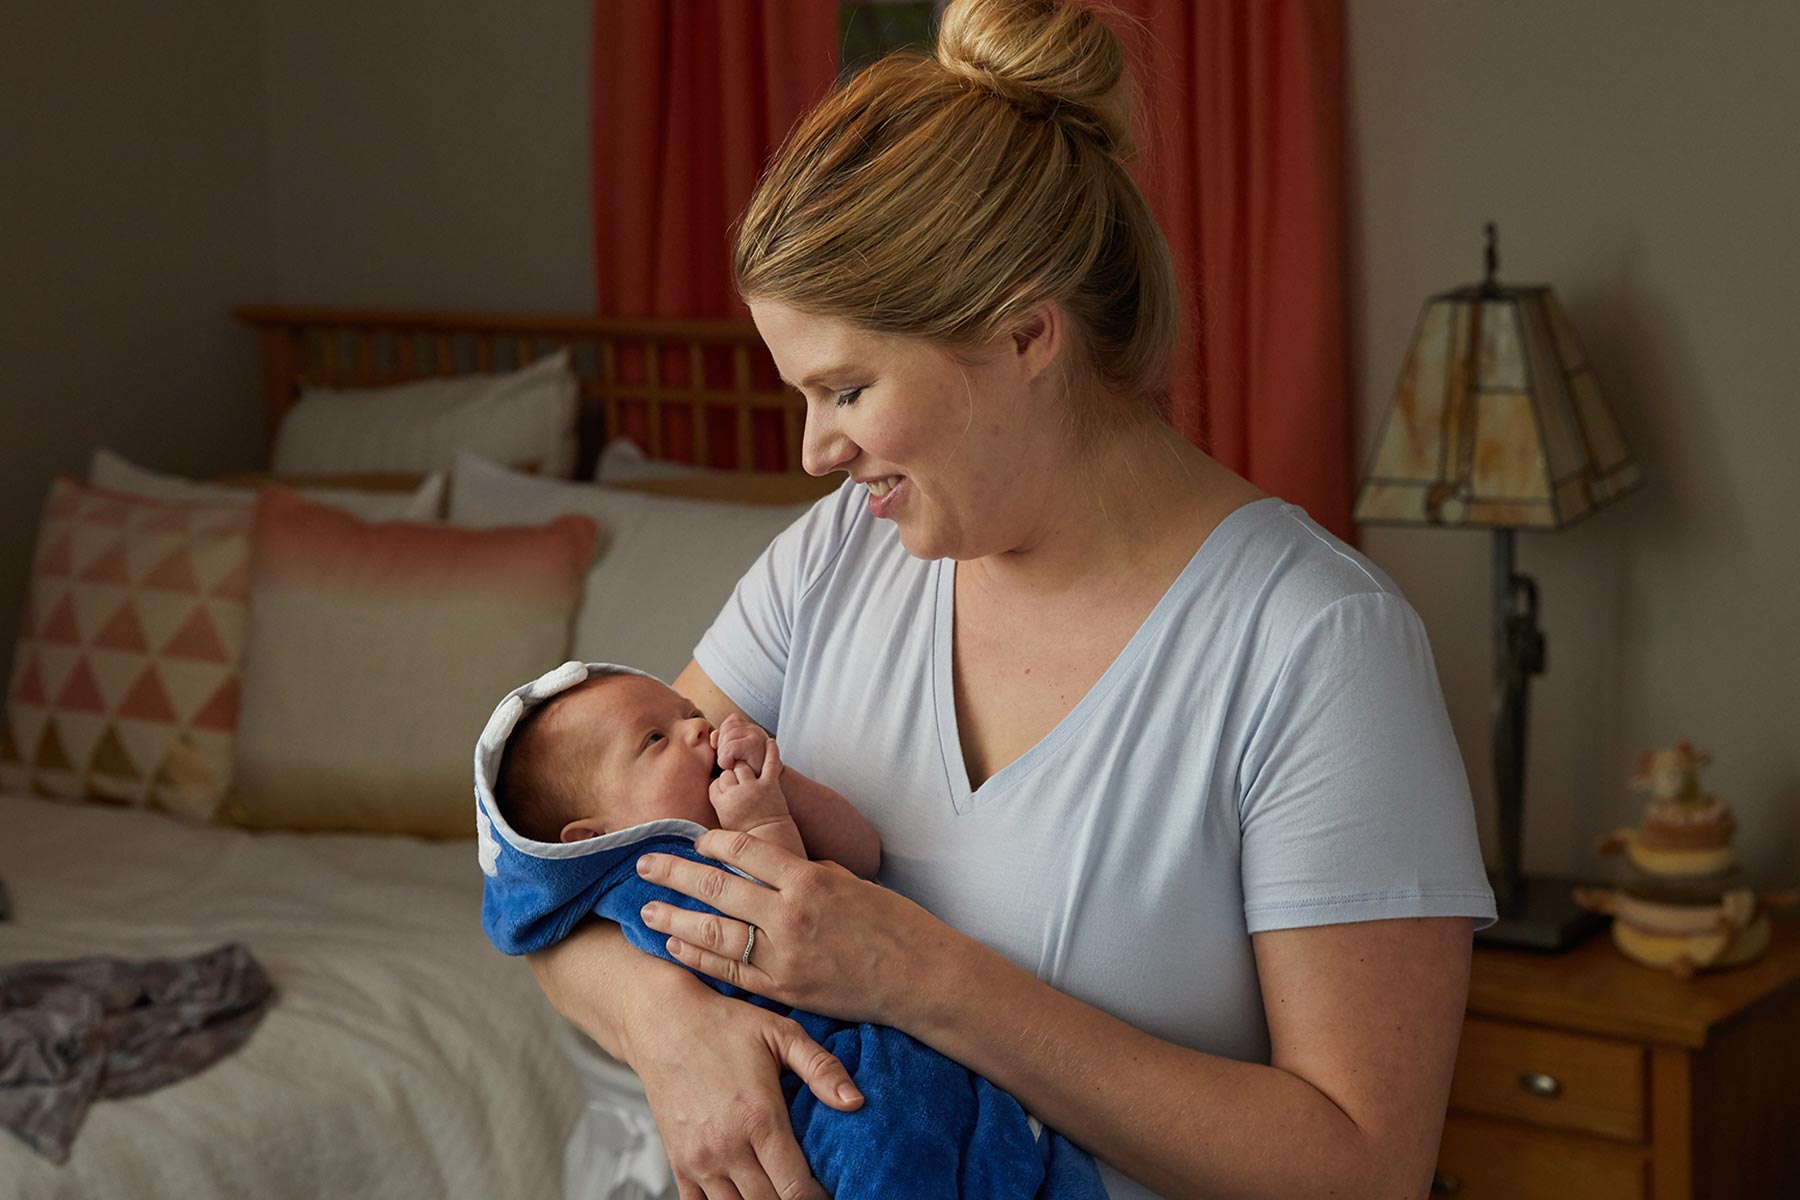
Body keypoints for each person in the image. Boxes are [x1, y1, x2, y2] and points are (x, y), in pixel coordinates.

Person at [530, 1, 1498, 1197]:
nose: (813, 452)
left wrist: (920, 978)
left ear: (1028, 334)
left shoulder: (1315, 647)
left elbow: (1365, 1167)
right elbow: (558, 883)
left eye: (846, 389)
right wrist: (666, 1027)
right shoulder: (833, 560)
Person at [473, 661, 1106, 1198]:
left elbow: (861, 854)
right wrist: (764, 828)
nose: (698, 726)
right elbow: (774, 922)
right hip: (820, 1093)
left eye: (690, 710)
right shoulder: (651, 880)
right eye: (654, 740)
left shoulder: (730, 809)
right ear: (592, 836)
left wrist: (780, 795)